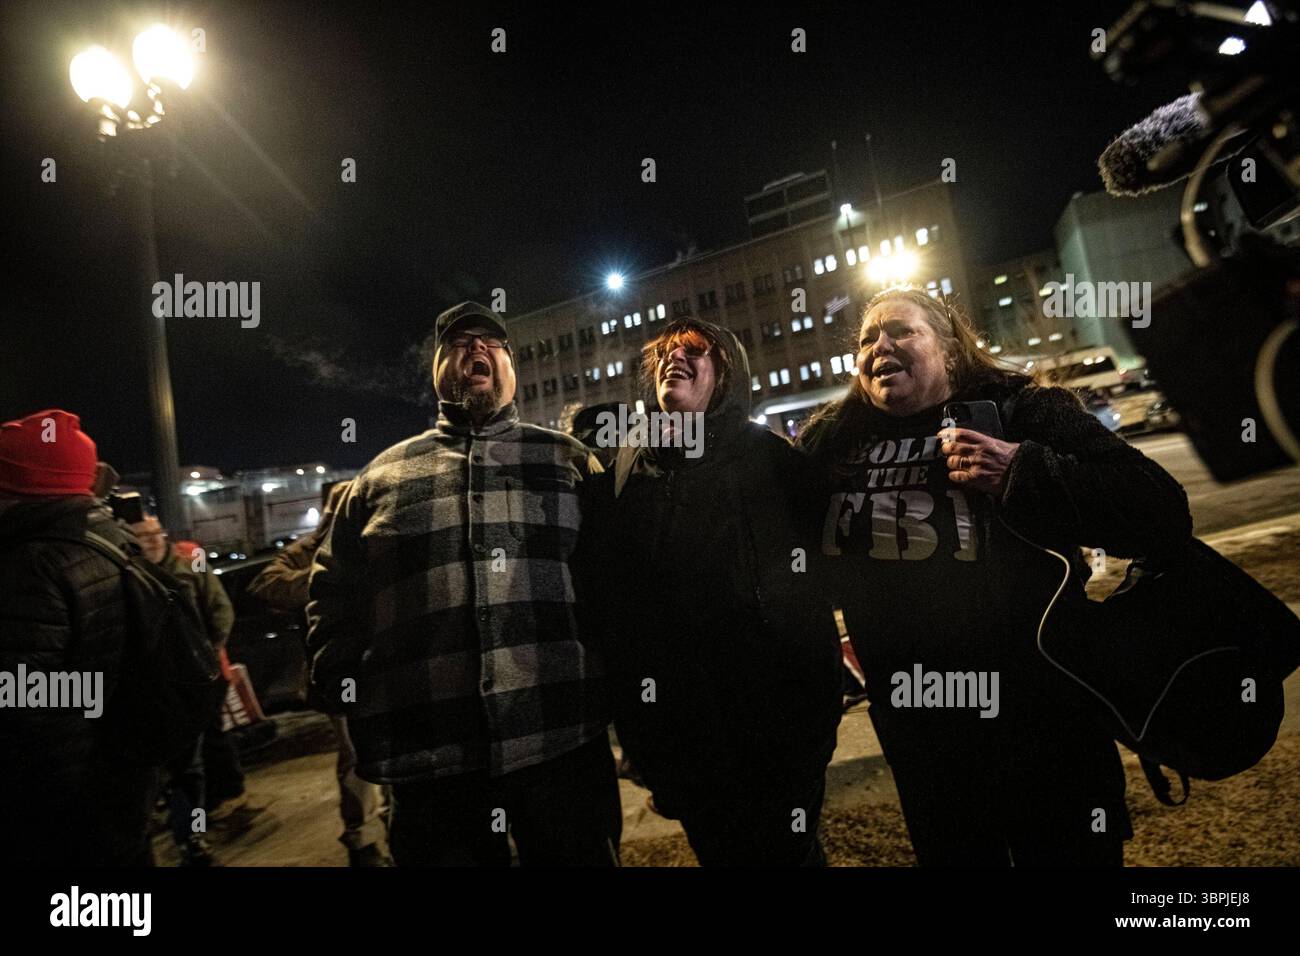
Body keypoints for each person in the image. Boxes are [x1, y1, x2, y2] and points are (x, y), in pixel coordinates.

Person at [798, 287, 1193, 866]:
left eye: (902, 331)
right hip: (923, 740)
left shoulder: (1024, 411)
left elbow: (1161, 512)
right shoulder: (833, 442)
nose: (880, 345)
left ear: (952, 350)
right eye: (866, 339)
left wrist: (1021, 470)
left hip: (1043, 728)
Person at [307, 301, 618, 867]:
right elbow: (333, 589)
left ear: (512, 368)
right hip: (429, 761)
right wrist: (340, 676)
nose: (475, 349)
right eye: (457, 343)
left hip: (561, 742)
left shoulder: (569, 462)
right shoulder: (378, 478)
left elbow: (615, 583)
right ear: (436, 371)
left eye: (491, 343)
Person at [576, 319, 844, 866]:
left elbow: (821, 580)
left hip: (777, 738)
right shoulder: (630, 468)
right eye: (666, 353)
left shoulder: (768, 458)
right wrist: (643, 739)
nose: (675, 358)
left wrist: (812, 723)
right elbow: (617, 607)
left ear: (726, 375)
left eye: (695, 351)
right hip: (685, 746)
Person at [0, 409, 158, 866]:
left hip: (57, 797)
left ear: (20, 488)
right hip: (120, 773)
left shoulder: (30, 565)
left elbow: (25, 696)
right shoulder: (110, 541)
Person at [247, 480, 394, 866]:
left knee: (396, 748)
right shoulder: (310, 550)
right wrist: (325, 573)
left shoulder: (376, 536)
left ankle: (394, 825)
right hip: (337, 672)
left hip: (385, 665)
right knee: (356, 759)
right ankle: (360, 839)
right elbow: (266, 585)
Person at [131, 516, 240, 866]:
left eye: (154, 533)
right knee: (171, 767)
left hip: (194, 682)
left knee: (189, 768)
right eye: (142, 536)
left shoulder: (190, 559)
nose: (151, 540)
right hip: (152, 687)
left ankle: (192, 836)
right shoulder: (127, 567)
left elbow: (220, 608)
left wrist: (207, 659)